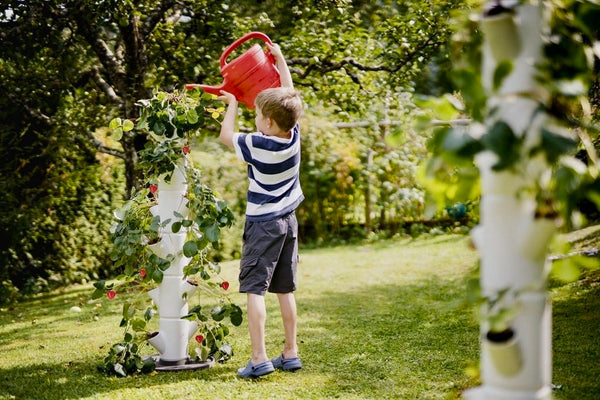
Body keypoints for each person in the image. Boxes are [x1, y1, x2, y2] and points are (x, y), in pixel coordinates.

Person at [217, 42, 304, 379]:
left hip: (263, 224)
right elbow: (290, 93)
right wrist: (280, 59)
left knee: (255, 289)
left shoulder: (257, 143)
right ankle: (291, 352)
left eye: (256, 116)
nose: (253, 121)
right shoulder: (293, 136)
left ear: (268, 122)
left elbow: (227, 135)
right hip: (288, 221)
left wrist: (232, 104)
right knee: (284, 289)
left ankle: (259, 358)